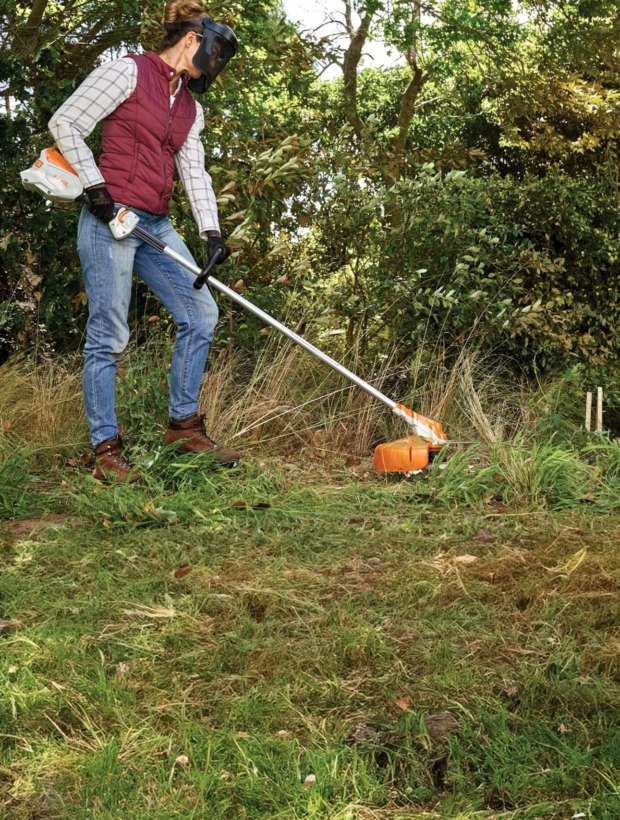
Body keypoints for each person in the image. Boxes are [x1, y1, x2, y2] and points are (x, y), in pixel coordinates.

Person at [48, 0, 242, 483]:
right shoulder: (126, 73)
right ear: (196, 40)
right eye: (215, 54)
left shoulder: (189, 107)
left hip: (152, 223)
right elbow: (66, 122)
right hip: (108, 219)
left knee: (201, 315)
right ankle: (106, 450)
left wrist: (211, 231)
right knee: (109, 334)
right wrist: (97, 190)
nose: (213, 68)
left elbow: (193, 172)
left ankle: (182, 427)